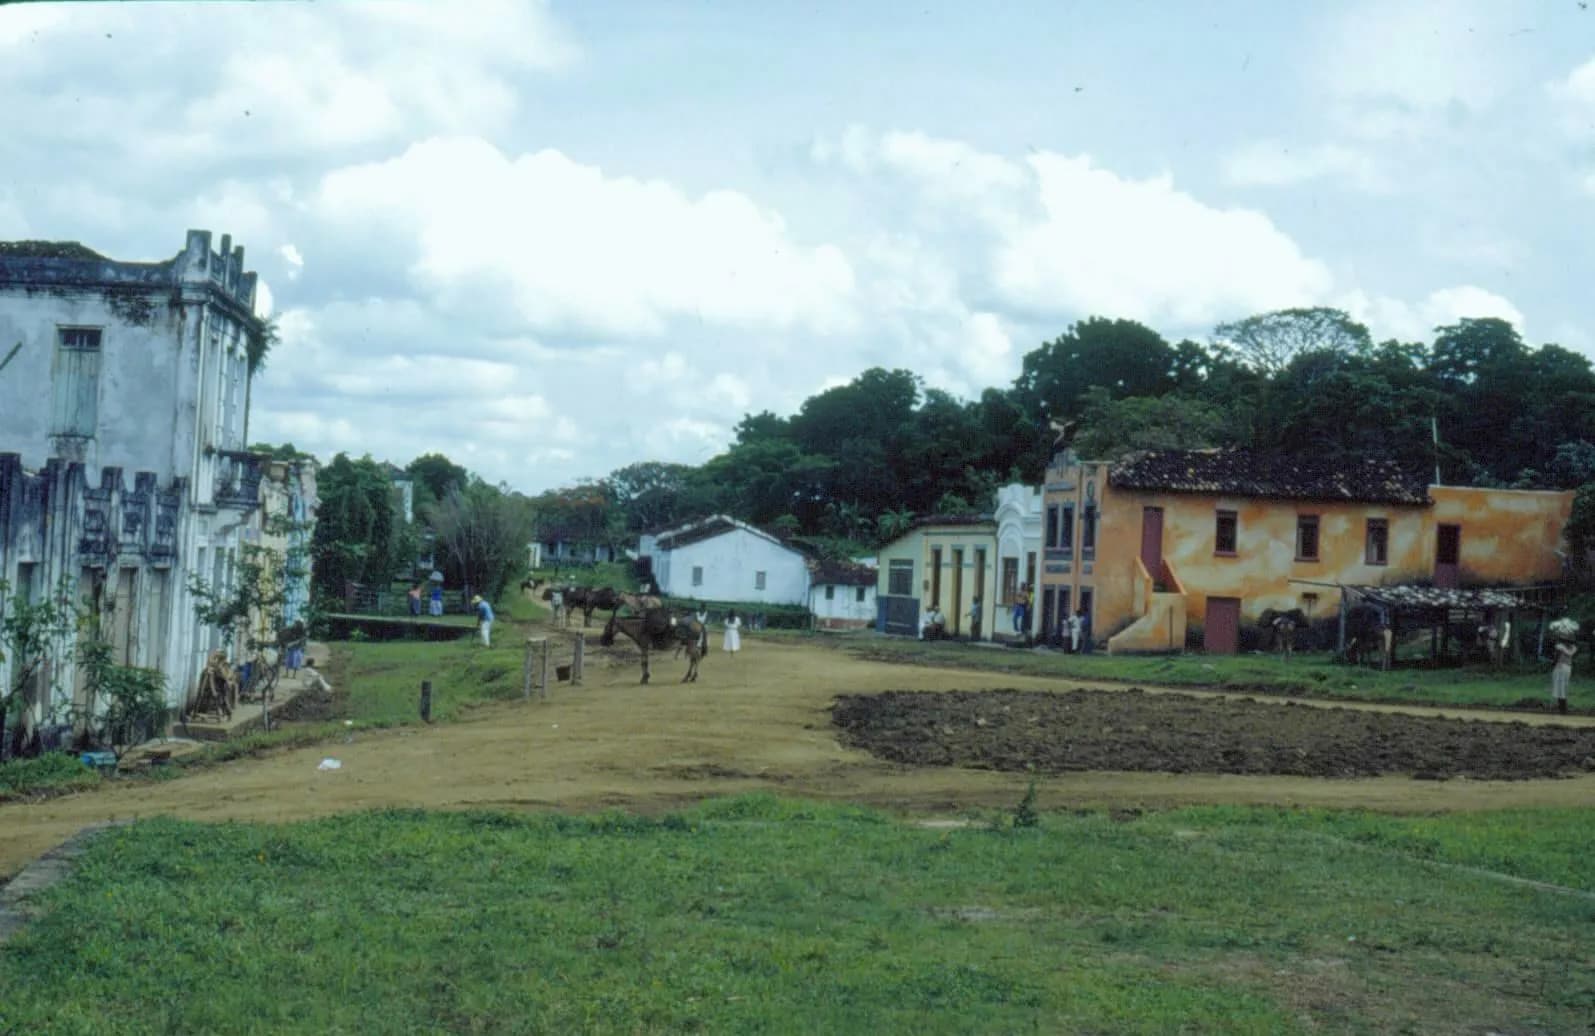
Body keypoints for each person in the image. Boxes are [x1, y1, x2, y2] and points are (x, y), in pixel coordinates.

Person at [1552, 636, 1577, 714]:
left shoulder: (1559, 647)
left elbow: (1556, 657)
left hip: (1560, 667)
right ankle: (1563, 708)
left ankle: (1562, 708)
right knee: (1564, 688)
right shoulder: (1573, 648)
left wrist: (1553, 663)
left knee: (1559, 688)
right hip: (1568, 668)